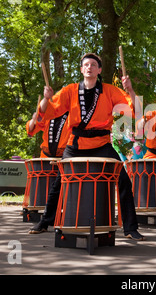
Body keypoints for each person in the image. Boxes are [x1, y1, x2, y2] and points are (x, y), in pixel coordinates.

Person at [29, 53, 145, 241]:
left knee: (123, 179)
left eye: (93, 65)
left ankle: (130, 228)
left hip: (101, 144)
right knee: (59, 182)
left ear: (99, 70)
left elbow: (133, 110)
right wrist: (45, 98)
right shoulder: (70, 90)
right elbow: (51, 110)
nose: (89, 67)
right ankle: (45, 222)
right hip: (75, 144)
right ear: (81, 69)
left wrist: (130, 90)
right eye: (86, 65)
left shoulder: (109, 90)